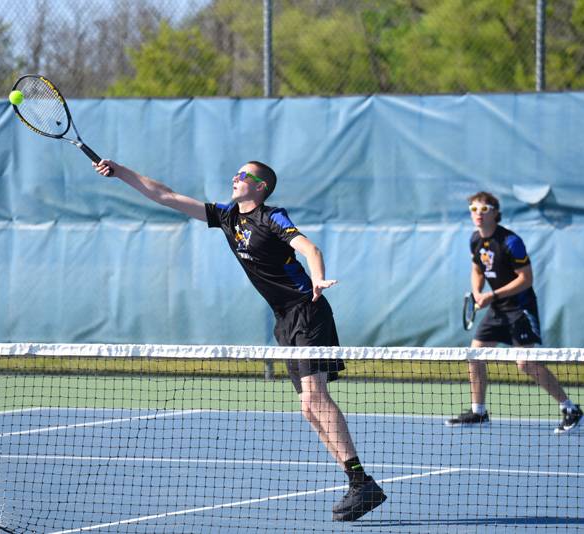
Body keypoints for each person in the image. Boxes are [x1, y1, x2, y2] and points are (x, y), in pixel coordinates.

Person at [92, 158, 386, 521]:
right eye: (236, 172)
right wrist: (120, 172)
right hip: (285, 320)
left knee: (314, 396)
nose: (235, 177)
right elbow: (166, 195)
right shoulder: (227, 217)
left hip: (307, 310)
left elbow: (310, 249)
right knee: (308, 408)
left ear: (260, 187)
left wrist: (318, 278)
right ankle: (358, 482)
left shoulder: (273, 216)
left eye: (244, 175)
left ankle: (361, 482)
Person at [446, 191, 584, 435]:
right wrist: (478, 292)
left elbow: (526, 279)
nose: (477, 214)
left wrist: (493, 295)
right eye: (473, 209)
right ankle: (479, 411)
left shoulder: (511, 242)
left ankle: (570, 409)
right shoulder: (475, 240)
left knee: (525, 363)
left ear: (495, 213)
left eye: (483, 209)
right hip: (498, 309)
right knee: (475, 354)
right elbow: (477, 268)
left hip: (519, 308)